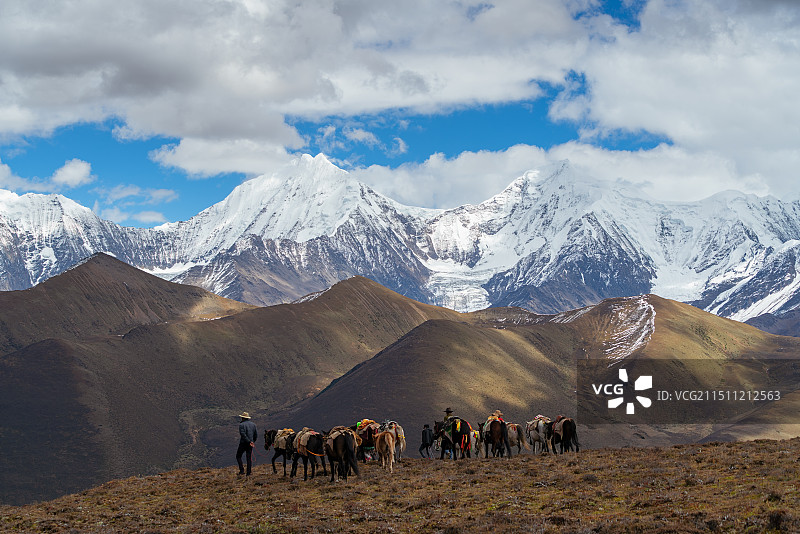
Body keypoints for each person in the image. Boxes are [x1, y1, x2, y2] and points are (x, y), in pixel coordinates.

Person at [236, 411, 258, 476]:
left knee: (238, 456)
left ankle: (242, 471)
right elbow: (256, 435)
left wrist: (248, 441)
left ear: (243, 418)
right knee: (249, 458)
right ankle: (248, 472)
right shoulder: (253, 425)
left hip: (243, 443)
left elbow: (243, 434)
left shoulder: (241, 425)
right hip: (250, 444)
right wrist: (252, 442)